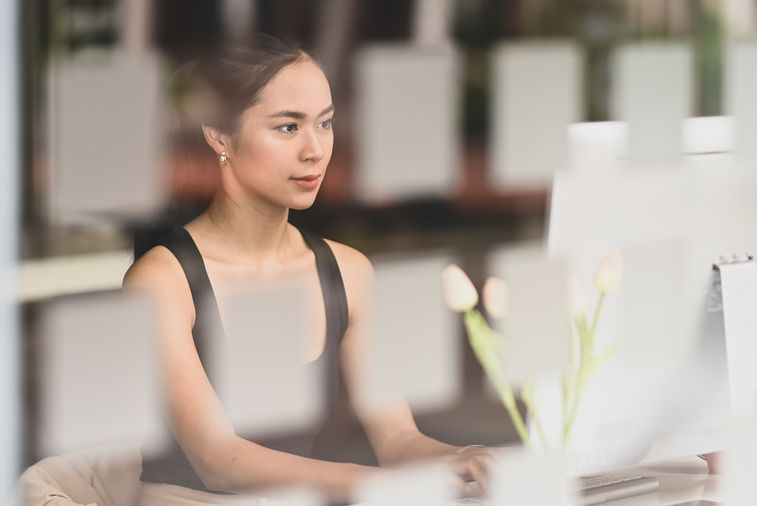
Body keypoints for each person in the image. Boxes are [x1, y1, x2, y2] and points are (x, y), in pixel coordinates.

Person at [123, 35, 491, 505]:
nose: (316, 150)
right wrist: (380, 484)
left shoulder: (348, 272)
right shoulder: (161, 282)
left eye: (326, 123)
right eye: (287, 128)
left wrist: (465, 457)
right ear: (218, 133)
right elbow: (219, 460)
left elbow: (397, 440)